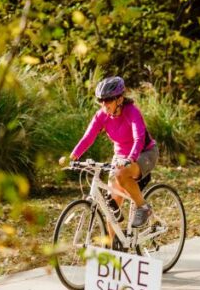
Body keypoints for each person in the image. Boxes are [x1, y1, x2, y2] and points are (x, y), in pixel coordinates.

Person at [64, 76, 158, 228]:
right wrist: (74, 155)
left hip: (143, 153)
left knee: (121, 174)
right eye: (101, 100)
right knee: (111, 208)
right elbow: (88, 137)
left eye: (107, 100)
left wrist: (130, 159)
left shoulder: (132, 112)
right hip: (121, 157)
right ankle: (113, 247)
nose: (103, 104)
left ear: (119, 99)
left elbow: (139, 138)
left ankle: (143, 207)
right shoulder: (102, 115)